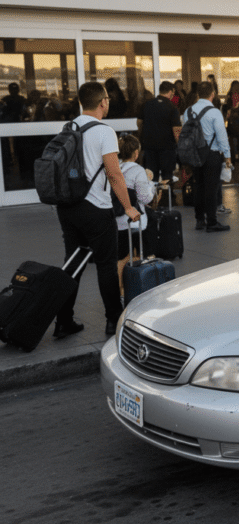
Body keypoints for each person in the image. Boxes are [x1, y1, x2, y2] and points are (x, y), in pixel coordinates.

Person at [54, 81, 141, 338]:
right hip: (96, 209)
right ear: (103, 102)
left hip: (68, 208)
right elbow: (115, 175)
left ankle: (63, 321)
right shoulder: (104, 131)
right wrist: (128, 207)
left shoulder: (69, 127)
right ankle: (112, 321)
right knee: (106, 265)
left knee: (74, 263)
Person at [182, 81, 232, 232]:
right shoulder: (215, 112)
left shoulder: (188, 111)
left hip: (195, 154)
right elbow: (222, 137)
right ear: (213, 94)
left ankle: (199, 220)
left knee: (198, 186)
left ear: (197, 94)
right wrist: (227, 156)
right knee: (211, 188)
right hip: (211, 155)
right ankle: (212, 222)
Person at [113, 134, 155, 294]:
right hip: (135, 221)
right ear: (136, 153)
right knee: (137, 254)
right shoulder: (137, 170)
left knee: (120, 258)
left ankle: (119, 290)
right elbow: (145, 198)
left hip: (117, 221)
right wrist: (150, 182)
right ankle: (138, 288)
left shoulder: (114, 168)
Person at [137, 81, 181, 185]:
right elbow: (176, 130)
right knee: (167, 177)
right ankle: (167, 198)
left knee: (151, 177)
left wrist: (142, 137)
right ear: (171, 92)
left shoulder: (147, 104)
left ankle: (153, 198)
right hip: (167, 148)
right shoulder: (172, 107)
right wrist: (180, 146)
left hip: (150, 147)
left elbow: (139, 123)